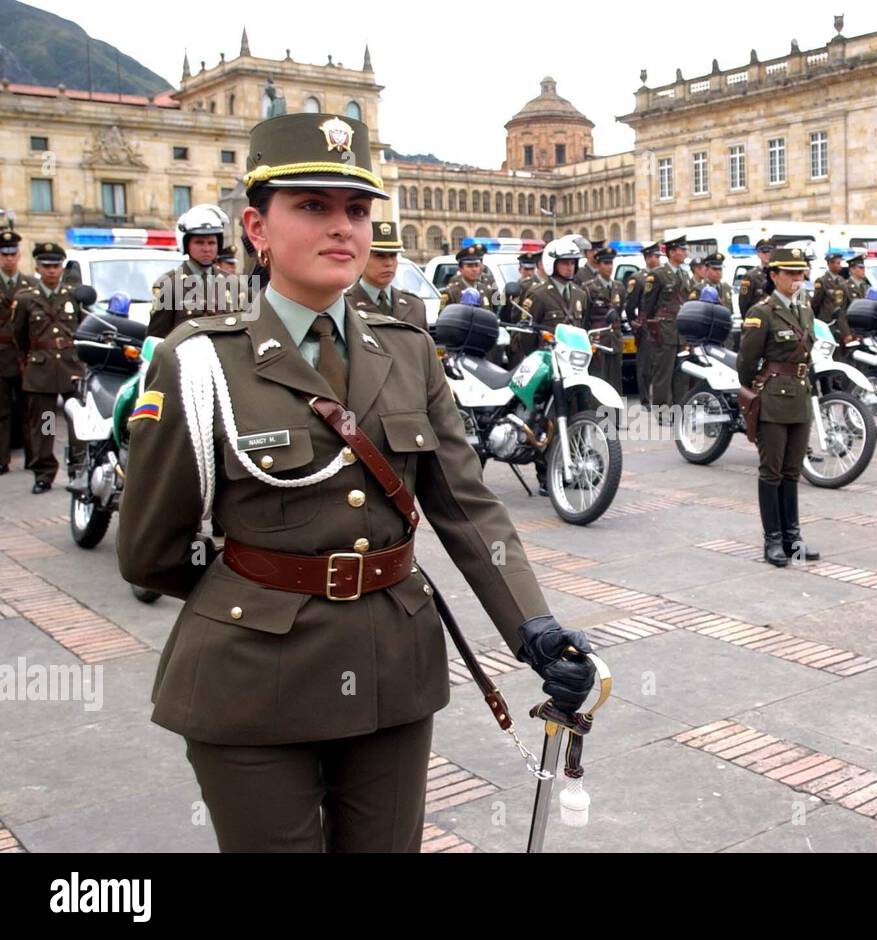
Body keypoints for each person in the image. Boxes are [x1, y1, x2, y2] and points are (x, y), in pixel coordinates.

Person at [115, 111, 594, 853]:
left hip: (390, 671)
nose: (342, 227)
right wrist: (269, 586)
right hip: (249, 680)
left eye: (357, 210)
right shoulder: (200, 361)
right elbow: (151, 551)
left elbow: (466, 507)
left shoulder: (407, 350)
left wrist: (532, 628)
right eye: (312, 206)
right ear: (257, 226)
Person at [737, 247, 820, 568]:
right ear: (774, 276)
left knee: (792, 470)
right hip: (771, 398)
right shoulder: (763, 311)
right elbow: (746, 362)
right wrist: (755, 392)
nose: (797, 279)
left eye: (801, 274)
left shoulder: (805, 309)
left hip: (799, 396)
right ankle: (773, 540)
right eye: (790, 274)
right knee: (771, 472)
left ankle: (793, 538)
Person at [12, 242, 85, 494]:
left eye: (56, 266)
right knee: (46, 424)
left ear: (62, 267)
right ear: (37, 267)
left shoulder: (73, 295)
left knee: (78, 423)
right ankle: (44, 473)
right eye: (47, 266)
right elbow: (18, 337)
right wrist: (32, 359)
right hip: (41, 370)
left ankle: (79, 468)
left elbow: (84, 329)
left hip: (70, 367)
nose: (52, 271)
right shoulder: (26, 299)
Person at [522, 237, 590, 495]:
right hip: (547, 369)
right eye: (564, 263)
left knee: (578, 416)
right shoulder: (538, 295)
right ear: (553, 264)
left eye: (573, 263)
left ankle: (576, 466)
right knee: (545, 423)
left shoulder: (581, 294)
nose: (570, 268)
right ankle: (546, 475)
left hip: (574, 369)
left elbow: (583, 331)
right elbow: (524, 336)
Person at [148, 204, 233, 338]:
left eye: (211, 243)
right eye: (199, 242)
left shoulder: (232, 283)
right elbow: (156, 338)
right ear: (186, 245)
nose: (206, 249)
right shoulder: (169, 285)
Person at [639, 234, 690, 411]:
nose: (685, 252)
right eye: (682, 249)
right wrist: (655, 326)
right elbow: (648, 304)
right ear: (671, 252)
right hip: (664, 330)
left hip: (680, 331)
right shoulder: (658, 274)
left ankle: (680, 410)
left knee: (680, 374)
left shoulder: (684, 274)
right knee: (663, 373)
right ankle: (661, 410)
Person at [344, 220, 427, 329]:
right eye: (379, 256)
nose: (389, 263)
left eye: (393, 255)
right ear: (362, 257)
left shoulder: (415, 305)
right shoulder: (345, 305)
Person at [1, 229, 37, 475]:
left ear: (19, 255)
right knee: (1, 412)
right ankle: (2, 460)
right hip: (1, 357)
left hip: (25, 358)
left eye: (13, 254)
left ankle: (34, 458)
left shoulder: (31, 285)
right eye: (4, 254)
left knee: (32, 413)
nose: (9, 259)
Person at [623, 243, 661, 407]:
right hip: (645, 324)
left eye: (659, 256)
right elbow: (630, 306)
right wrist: (636, 324)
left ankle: (658, 394)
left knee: (658, 362)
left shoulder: (661, 276)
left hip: (659, 324)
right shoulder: (638, 278)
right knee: (645, 364)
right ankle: (645, 398)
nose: (658, 259)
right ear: (647, 258)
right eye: (655, 256)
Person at [584, 246, 625, 396]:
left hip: (614, 340)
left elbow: (618, 313)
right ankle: (598, 417)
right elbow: (586, 318)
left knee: (615, 383)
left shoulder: (619, 287)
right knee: (599, 381)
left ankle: (614, 417)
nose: (609, 267)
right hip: (598, 341)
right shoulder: (588, 288)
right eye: (605, 264)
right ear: (598, 265)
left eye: (611, 263)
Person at [811, 250, 851, 343]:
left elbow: (845, 302)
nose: (840, 265)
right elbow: (816, 302)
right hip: (827, 321)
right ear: (830, 264)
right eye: (837, 263)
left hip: (841, 322)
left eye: (840, 263)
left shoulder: (842, 281)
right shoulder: (822, 281)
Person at [440, 243, 493, 308]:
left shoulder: (485, 289)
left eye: (476, 265)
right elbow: (443, 316)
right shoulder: (450, 292)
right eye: (470, 266)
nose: (474, 269)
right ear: (460, 269)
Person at [737, 240, 773, 315]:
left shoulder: (779, 274)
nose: (767, 255)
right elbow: (744, 303)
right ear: (758, 254)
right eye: (764, 252)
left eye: (769, 252)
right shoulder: (750, 276)